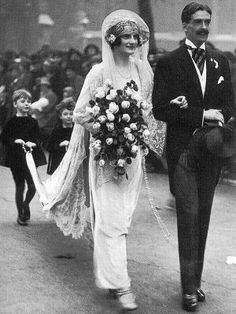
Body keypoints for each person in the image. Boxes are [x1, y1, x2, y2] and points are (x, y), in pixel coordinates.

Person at [27, 9, 165, 311]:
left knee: (120, 220)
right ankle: (122, 285)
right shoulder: (98, 72)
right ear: (113, 40)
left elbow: (149, 109)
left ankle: (109, 275)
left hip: (131, 158)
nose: (131, 41)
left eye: (134, 36)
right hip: (104, 157)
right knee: (113, 220)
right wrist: (107, 127)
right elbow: (79, 113)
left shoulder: (144, 71)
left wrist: (137, 129)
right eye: (125, 36)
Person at [152, 2, 235, 311]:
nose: (204, 27)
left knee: (203, 218)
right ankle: (188, 289)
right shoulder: (169, 62)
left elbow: (229, 105)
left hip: (211, 152)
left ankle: (196, 282)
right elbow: (160, 109)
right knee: (188, 214)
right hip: (184, 152)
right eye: (198, 22)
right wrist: (202, 115)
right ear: (185, 25)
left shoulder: (219, 61)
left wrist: (220, 117)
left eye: (207, 22)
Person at [0, 89, 46, 226]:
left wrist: (34, 143)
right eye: (23, 101)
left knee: (32, 186)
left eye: (28, 101)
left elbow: (38, 138)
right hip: (16, 158)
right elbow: (4, 137)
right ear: (15, 104)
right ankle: (20, 214)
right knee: (20, 186)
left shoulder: (33, 121)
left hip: (30, 158)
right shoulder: (11, 122)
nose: (26, 104)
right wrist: (15, 141)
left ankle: (26, 205)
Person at [46, 97, 74, 175]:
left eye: (71, 114)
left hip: (72, 160)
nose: (68, 116)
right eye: (65, 114)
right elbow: (49, 147)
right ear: (60, 116)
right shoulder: (57, 130)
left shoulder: (76, 130)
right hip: (59, 160)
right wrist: (60, 144)